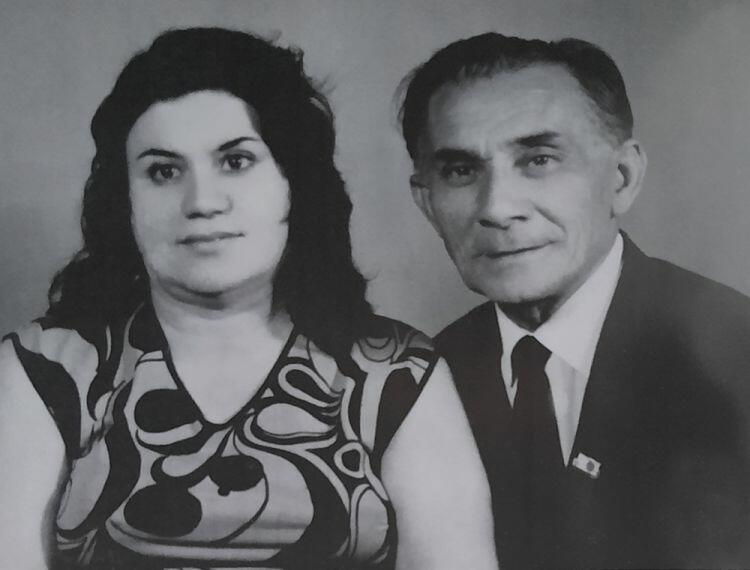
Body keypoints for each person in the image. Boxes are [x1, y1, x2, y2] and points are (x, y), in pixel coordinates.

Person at [0, 28, 497, 570]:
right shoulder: (44, 370)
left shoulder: (398, 374)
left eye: (235, 161)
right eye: (163, 172)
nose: (202, 202)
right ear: (125, 201)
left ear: (294, 184)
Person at [397, 32, 750, 569]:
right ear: (427, 202)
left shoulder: (735, 356)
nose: (497, 208)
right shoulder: (421, 384)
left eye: (538, 159)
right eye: (461, 171)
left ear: (621, 179)